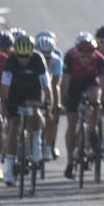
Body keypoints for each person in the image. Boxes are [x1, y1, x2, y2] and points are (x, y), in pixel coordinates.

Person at [0, 34, 51, 185]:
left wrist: (47, 104)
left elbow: (46, 87)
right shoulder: (10, 61)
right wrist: (4, 105)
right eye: (20, 56)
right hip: (15, 93)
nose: (23, 59)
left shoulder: (38, 60)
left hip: (32, 91)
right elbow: (4, 87)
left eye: (26, 56)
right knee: (13, 127)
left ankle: (36, 143)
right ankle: (8, 171)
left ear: (31, 53)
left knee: (35, 113)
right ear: (16, 53)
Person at [60, 32, 104, 179]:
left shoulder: (100, 60)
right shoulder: (70, 57)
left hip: (90, 82)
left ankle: (92, 130)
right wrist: (65, 100)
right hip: (74, 85)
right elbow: (65, 82)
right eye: (82, 56)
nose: (86, 60)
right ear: (78, 53)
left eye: (89, 56)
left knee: (95, 97)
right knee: (72, 123)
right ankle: (70, 162)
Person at [35, 31, 63, 160]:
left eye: (48, 57)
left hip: (49, 87)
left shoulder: (57, 60)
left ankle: (48, 146)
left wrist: (54, 105)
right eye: (43, 57)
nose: (46, 60)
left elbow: (55, 84)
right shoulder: (33, 60)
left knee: (51, 115)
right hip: (34, 87)